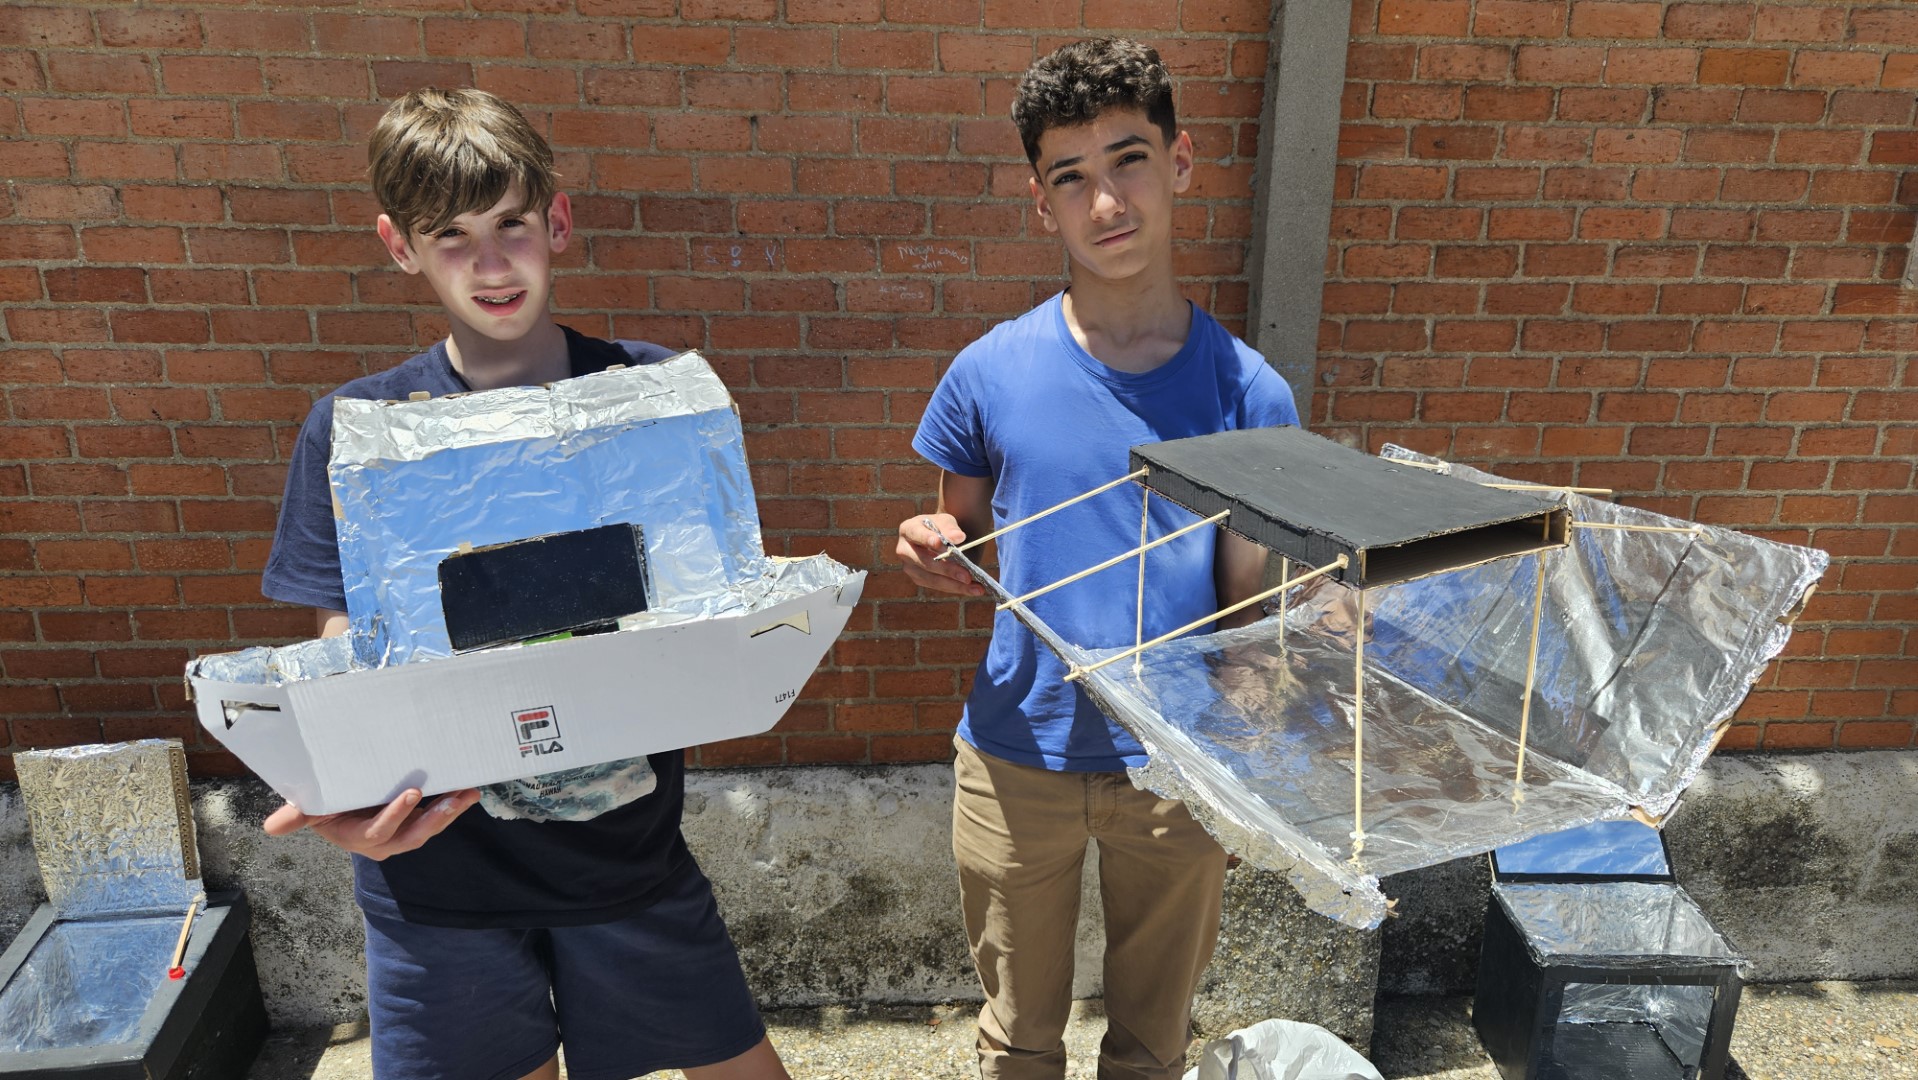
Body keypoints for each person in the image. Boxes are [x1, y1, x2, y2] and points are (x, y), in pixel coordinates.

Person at [258, 87, 789, 1080]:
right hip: (436, 886)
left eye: (511, 224)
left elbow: (715, 604)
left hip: (624, 859)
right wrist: (340, 782)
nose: (492, 264)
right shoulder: (359, 431)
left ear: (558, 222)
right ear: (399, 246)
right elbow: (345, 641)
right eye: (450, 236)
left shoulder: (653, 398)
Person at [895, 38, 1301, 1080]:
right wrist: (928, 549)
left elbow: (1246, 608)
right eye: (1071, 177)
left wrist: (1247, 744)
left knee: (1150, 1050)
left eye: (1129, 161)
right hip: (1014, 753)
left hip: (1174, 766)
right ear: (1042, 203)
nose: (1106, 202)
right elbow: (960, 538)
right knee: (1017, 1046)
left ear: (1180, 162)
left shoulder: (1249, 393)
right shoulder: (987, 372)